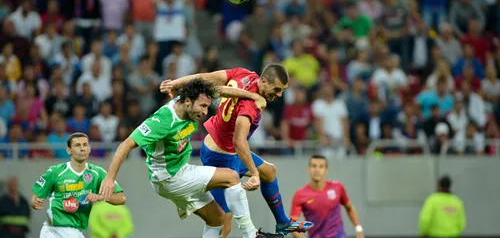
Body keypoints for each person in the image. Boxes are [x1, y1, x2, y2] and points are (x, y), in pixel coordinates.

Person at [99, 78, 281, 238]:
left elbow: (221, 89)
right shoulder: (162, 121)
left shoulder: (191, 99)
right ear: (187, 101)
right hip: (170, 177)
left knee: (217, 219)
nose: (204, 112)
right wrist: (109, 178)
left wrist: (253, 97)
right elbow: (126, 144)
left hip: (176, 174)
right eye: (202, 106)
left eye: (207, 107)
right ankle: (250, 234)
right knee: (231, 176)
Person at [159, 64, 314, 236]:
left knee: (269, 171)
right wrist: (254, 174)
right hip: (220, 158)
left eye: (283, 90)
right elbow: (239, 142)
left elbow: (206, 76)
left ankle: (283, 223)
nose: (279, 94)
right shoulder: (250, 106)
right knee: (223, 223)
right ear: (263, 81)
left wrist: (176, 82)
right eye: (277, 89)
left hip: (219, 148)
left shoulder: (244, 74)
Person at [30, 132, 126, 238]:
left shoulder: (97, 173)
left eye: (85, 145)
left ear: (89, 149)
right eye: (77, 145)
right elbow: (35, 198)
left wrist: (99, 196)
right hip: (53, 230)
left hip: (75, 230)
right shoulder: (55, 172)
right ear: (68, 150)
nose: (82, 148)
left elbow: (121, 198)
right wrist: (34, 202)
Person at [290, 155, 364, 238]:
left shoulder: (337, 187)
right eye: (314, 166)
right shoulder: (300, 195)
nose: (317, 170)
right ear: (308, 169)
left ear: (326, 170)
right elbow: (293, 225)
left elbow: (350, 208)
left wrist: (359, 230)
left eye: (321, 167)